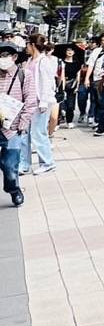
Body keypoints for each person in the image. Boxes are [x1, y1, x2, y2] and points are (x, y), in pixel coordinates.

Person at [20, 32, 58, 175]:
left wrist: (44, 102)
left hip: (40, 102)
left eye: (28, 45)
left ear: (33, 45)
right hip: (28, 102)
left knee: (38, 133)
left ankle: (48, 162)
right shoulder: (30, 61)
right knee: (24, 133)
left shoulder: (43, 61)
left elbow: (48, 83)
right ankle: (24, 163)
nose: (26, 48)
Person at [0, 41, 29, 205]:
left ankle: (13, 189)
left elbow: (30, 101)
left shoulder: (24, 75)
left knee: (10, 166)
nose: (2, 59)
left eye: (5, 55)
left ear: (14, 57)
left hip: (13, 128)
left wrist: (23, 123)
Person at [59, 44, 83, 125]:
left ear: (74, 52)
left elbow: (78, 76)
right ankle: (59, 120)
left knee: (70, 105)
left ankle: (69, 121)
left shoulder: (77, 63)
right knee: (60, 103)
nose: (70, 52)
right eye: (68, 50)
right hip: (62, 84)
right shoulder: (61, 62)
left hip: (72, 85)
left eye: (71, 50)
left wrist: (77, 86)